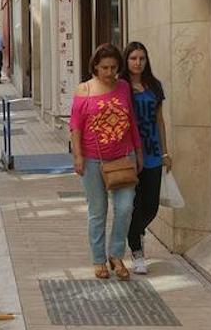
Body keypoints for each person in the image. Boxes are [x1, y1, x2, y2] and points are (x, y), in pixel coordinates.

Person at [70, 43, 143, 281]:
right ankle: (98, 260)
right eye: (104, 68)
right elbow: (76, 127)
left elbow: (131, 120)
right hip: (93, 160)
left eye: (113, 67)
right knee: (98, 211)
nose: (109, 72)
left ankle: (116, 254)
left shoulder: (123, 87)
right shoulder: (85, 90)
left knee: (124, 209)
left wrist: (138, 152)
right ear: (95, 67)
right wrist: (78, 156)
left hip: (124, 157)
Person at [120, 42, 170, 275]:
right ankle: (137, 252)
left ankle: (135, 231)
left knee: (150, 206)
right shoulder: (121, 87)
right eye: (133, 58)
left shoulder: (154, 85)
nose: (138, 62)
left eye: (141, 58)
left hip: (152, 151)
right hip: (130, 152)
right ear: (126, 61)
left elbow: (160, 121)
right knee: (133, 204)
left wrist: (165, 151)